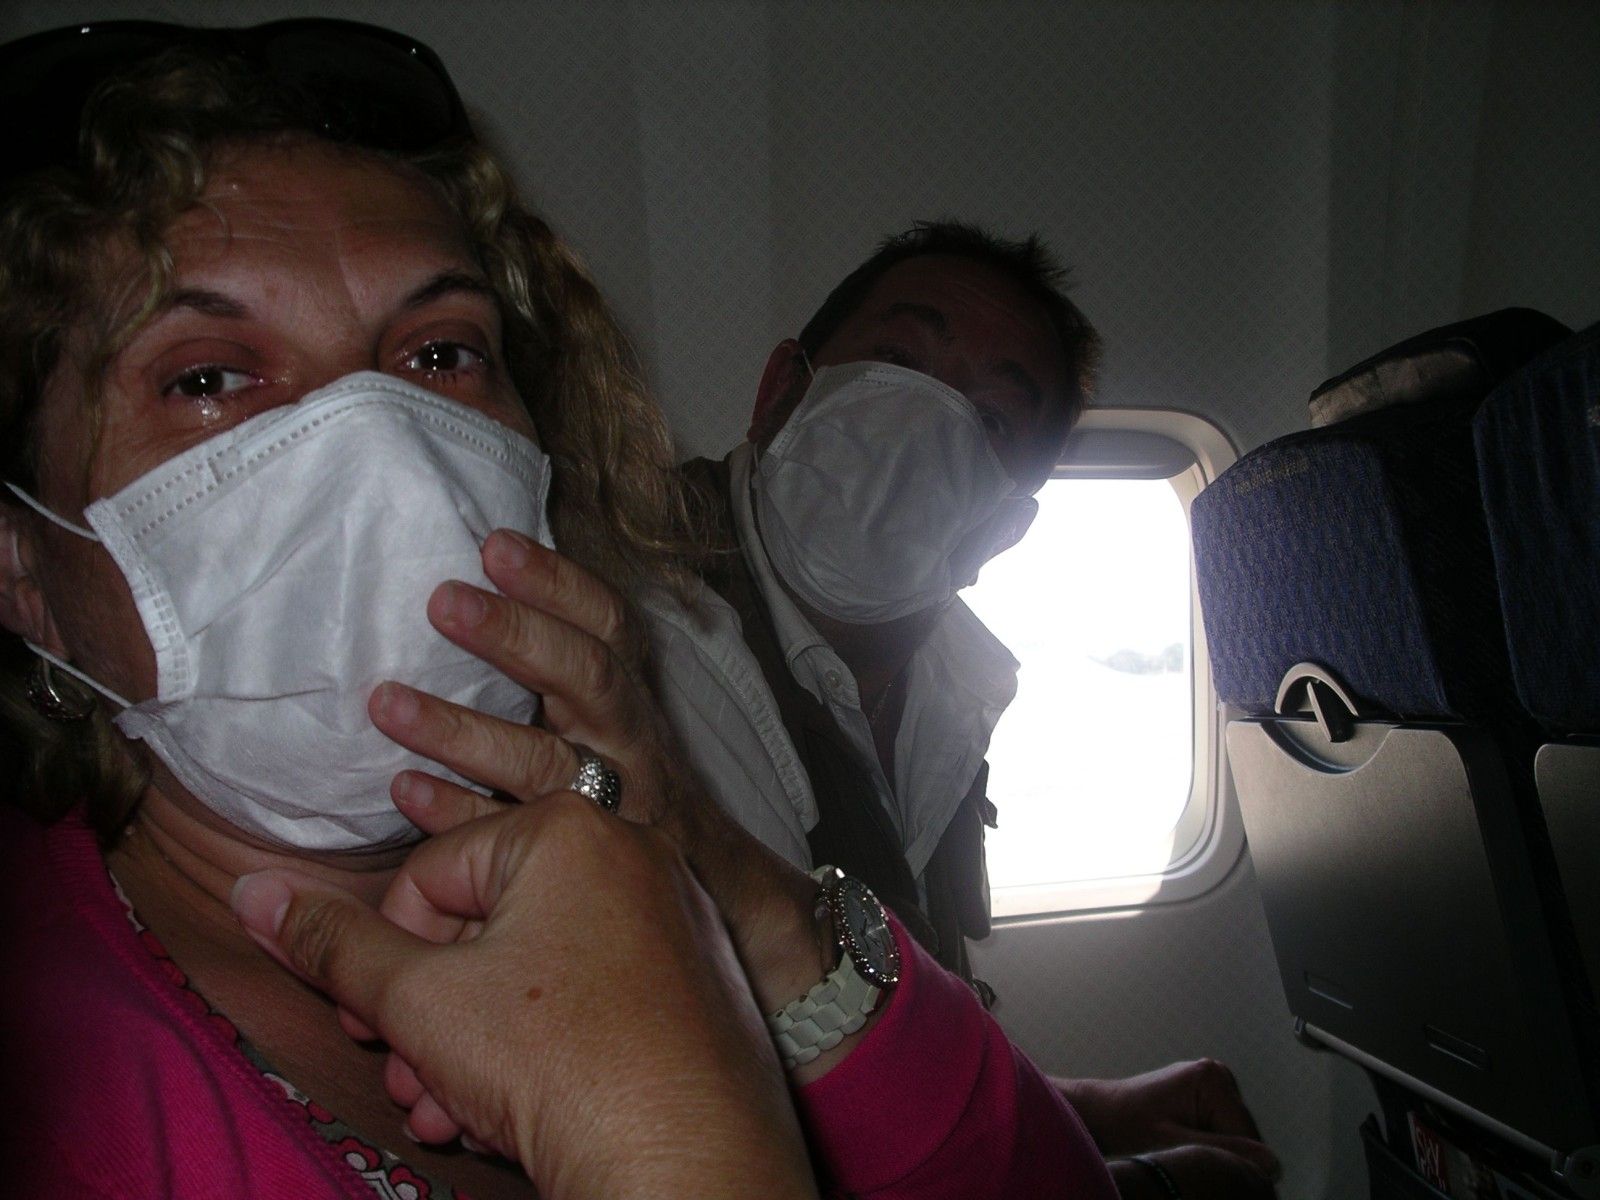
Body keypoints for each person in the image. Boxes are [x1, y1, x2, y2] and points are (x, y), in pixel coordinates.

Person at [0, 21, 813, 1199]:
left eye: (439, 357)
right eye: (209, 378)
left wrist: (721, 881)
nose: (387, 462)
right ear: (25, 569)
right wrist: (679, 1135)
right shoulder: (53, 1089)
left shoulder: (615, 905)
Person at [639, 221, 1285, 1192]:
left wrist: (1091, 1111)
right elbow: (736, 1130)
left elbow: (865, 1070)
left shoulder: (949, 688)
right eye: (898, 363)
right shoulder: (654, 631)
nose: (922, 429)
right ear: (781, 393)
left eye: (989, 420)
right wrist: (1139, 1187)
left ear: (1004, 529)